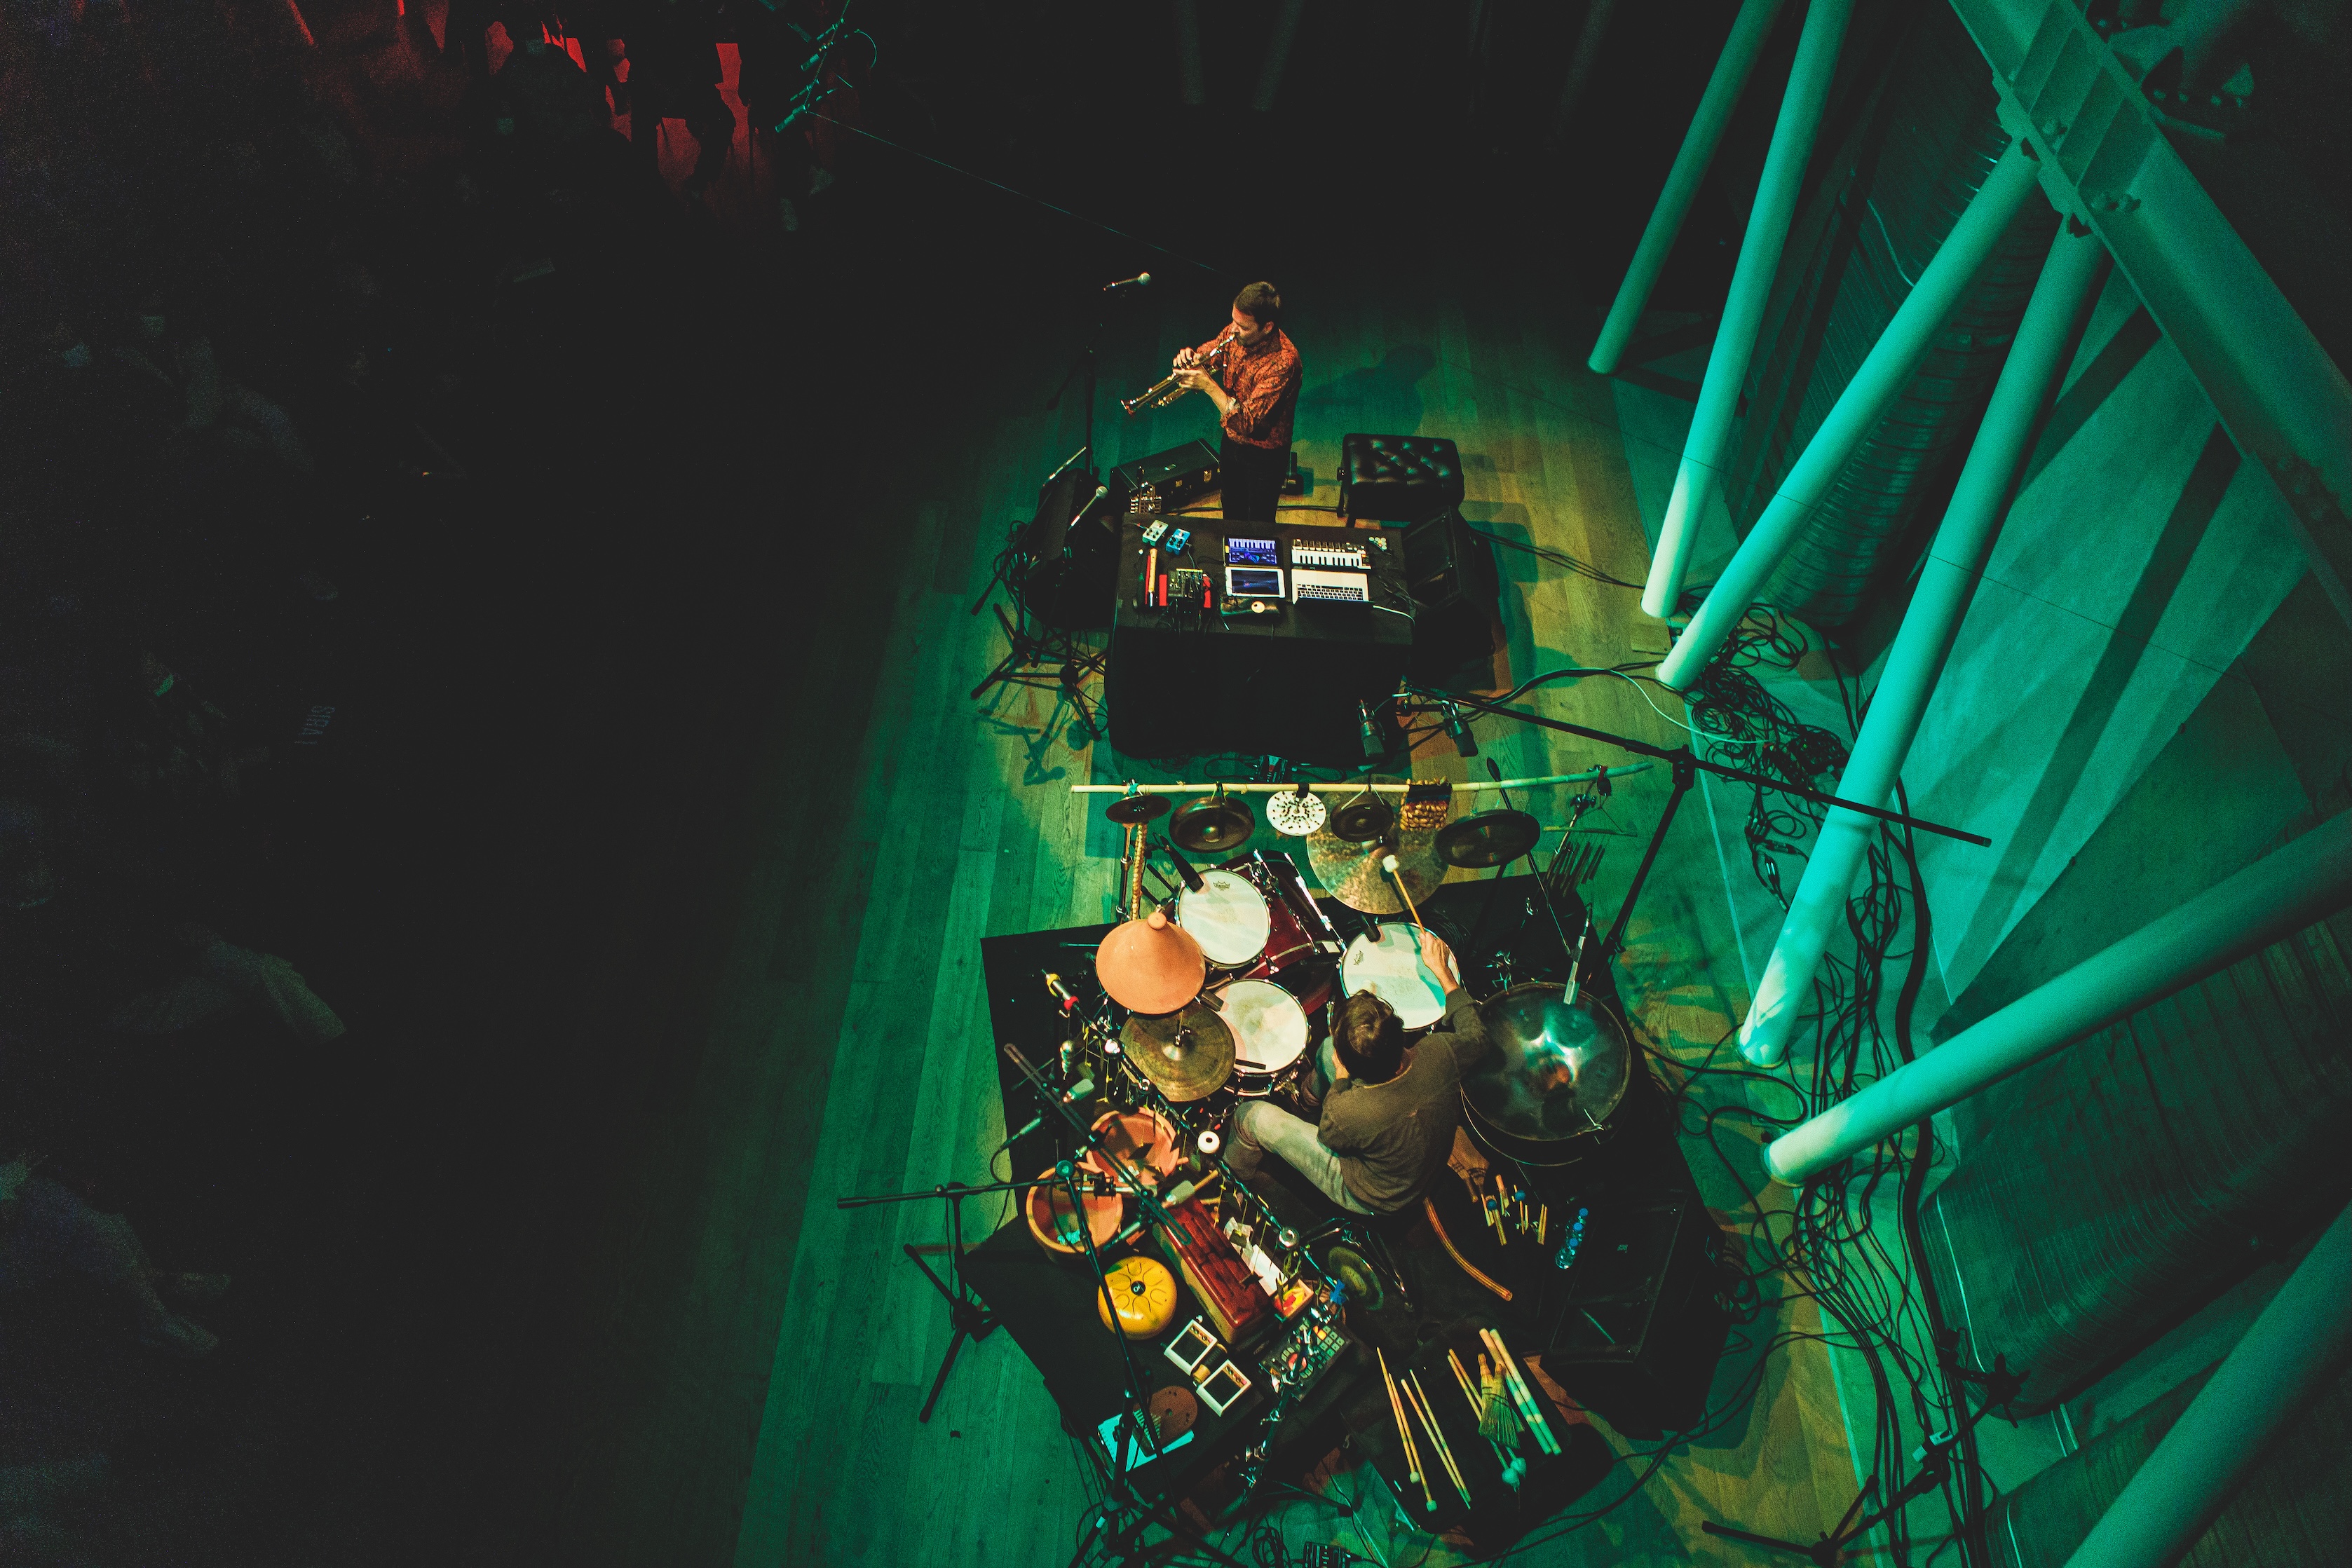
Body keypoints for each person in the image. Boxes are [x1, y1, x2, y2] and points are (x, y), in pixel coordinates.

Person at [1224, 927, 1488, 1215]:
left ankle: (1230, 1184)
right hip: (1420, 1162)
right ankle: (1305, 1100)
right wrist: (1443, 972)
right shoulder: (1441, 1052)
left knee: (1250, 1117)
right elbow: (1478, 1036)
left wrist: (1339, 1079)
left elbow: (1330, 1137)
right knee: (1326, 1049)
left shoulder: (1347, 1111)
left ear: (1351, 1068)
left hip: (1376, 1195)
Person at [1171, 280, 1302, 524]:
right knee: (1231, 507)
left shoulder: (1283, 361)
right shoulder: (1238, 331)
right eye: (1233, 320)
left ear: (1267, 327)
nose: (1233, 330)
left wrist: (1209, 386)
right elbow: (1217, 347)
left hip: (1265, 454)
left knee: (1260, 522)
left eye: (1242, 326)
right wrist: (1196, 357)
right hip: (1232, 442)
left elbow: (1247, 423)